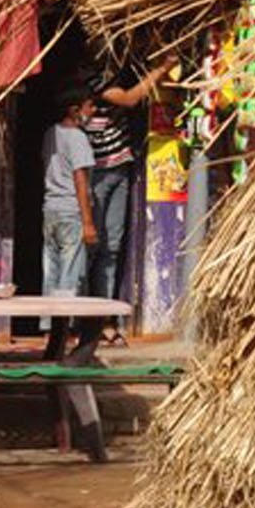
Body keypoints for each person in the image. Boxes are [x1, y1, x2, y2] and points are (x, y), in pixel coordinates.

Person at [83, 57, 171, 334]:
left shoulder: (114, 70)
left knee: (112, 245)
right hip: (95, 172)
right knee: (92, 247)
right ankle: (82, 318)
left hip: (119, 167)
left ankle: (105, 316)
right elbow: (130, 99)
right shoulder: (92, 77)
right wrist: (162, 68)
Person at [40, 84, 99, 303]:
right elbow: (80, 179)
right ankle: (65, 327)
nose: (93, 111)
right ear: (75, 111)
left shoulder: (50, 134)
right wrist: (87, 222)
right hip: (70, 212)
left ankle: (48, 325)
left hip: (51, 209)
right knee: (69, 274)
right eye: (90, 106)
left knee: (51, 271)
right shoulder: (78, 138)